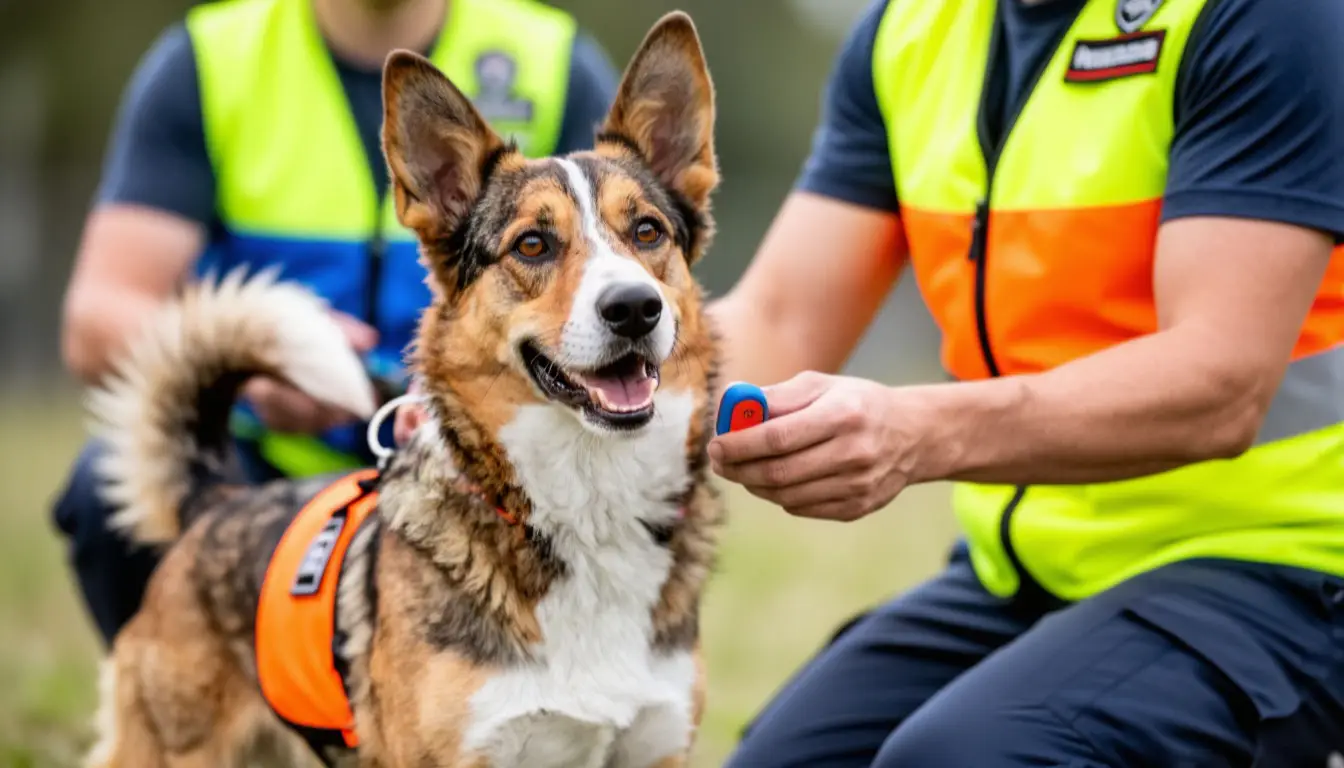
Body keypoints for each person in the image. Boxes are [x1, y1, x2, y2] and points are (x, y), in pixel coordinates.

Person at [700, 0, 1344, 764]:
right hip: (1031, 571)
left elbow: (1221, 383)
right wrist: (579, 397)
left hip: (1286, 573)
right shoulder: (911, 30)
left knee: (965, 757)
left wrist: (920, 430)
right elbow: (784, 317)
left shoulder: (1262, 15)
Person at [53, 0, 619, 647]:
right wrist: (257, 374)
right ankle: (180, 705)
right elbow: (98, 317)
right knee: (105, 485)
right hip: (258, 469)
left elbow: (620, 278)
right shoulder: (209, 61)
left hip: (473, 483)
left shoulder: (555, 62)